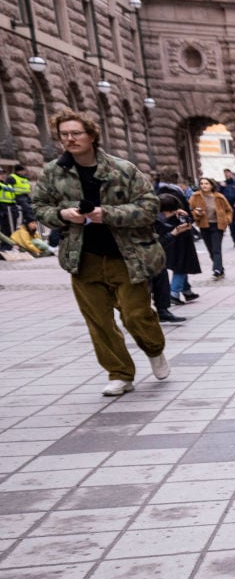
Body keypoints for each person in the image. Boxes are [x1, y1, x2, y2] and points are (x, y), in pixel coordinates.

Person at [33, 108, 170, 396]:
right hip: (83, 257)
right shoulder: (52, 172)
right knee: (99, 321)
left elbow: (149, 207)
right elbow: (39, 208)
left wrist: (106, 214)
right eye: (64, 135)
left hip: (126, 255)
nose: (70, 139)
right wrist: (63, 214)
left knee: (136, 315)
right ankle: (120, 373)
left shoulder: (122, 169)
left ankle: (154, 349)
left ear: (92, 136)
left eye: (76, 133)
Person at [155, 193, 201, 308]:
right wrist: (186, 216)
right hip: (181, 248)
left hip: (169, 248)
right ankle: (174, 293)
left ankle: (187, 291)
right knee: (181, 269)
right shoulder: (177, 218)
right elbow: (188, 225)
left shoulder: (159, 218)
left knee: (181, 268)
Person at [151, 195, 189, 324]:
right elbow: (160, 240)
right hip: (143, 256)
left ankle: (163, 310)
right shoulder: (152, 220)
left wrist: (181, 217)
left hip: (155, 257)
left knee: (161, 278)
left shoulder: (159, 218)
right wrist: (174, 233)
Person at [190, 177, 231, 280]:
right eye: (202, 183)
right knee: (210, 249)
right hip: (204, 226)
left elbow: (229, 210)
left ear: (212, 185)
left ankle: (216, 270)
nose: (204, 185)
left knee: (216, 248)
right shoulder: (196, 196)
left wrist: (227, 220)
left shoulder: (219, 197)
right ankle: (220, 269)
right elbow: (190, 209)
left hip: (217, 225)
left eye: (206, 183)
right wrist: (196, 213)